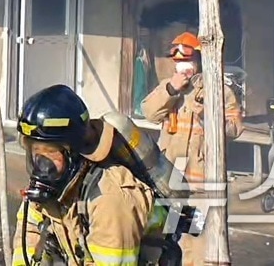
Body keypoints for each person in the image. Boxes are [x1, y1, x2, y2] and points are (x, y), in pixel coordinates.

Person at [12, 84, 181, 266]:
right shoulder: (54, 187)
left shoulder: (110, 197)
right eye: (35, 152)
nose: (42, 166)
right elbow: (30, 236)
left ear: (75, 153)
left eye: (51, 152)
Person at [139, 31, 243, 266]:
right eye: (178, 61)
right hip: (168, 183)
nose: (182, 65)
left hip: (199, 190)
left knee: (195, 244)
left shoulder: (220, 91)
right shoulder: (169, 87)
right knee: (164, 240)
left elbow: (235, 128)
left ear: (199, 60)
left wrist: (209, 113)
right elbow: (149, 112)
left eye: (187, 59)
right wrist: (171, 90)